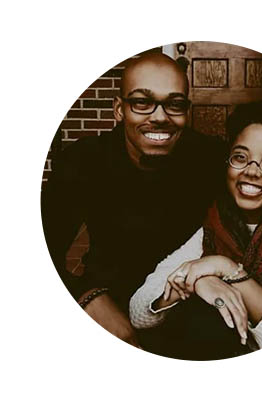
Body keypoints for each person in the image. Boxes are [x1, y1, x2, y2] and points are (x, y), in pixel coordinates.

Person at [130, 100, 262, 360]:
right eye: (240, 157)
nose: (251, 172)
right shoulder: (218, 219)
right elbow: (139, 311)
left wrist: (226, 269)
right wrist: (199, 281)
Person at [41, 53, 225, 347]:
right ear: (119, 109)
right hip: (109, 297)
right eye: (142, 102)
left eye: (175, 104)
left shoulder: (209, 158)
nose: (160, 117)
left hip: (185, 297)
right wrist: (86, 296)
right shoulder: (84, 161)